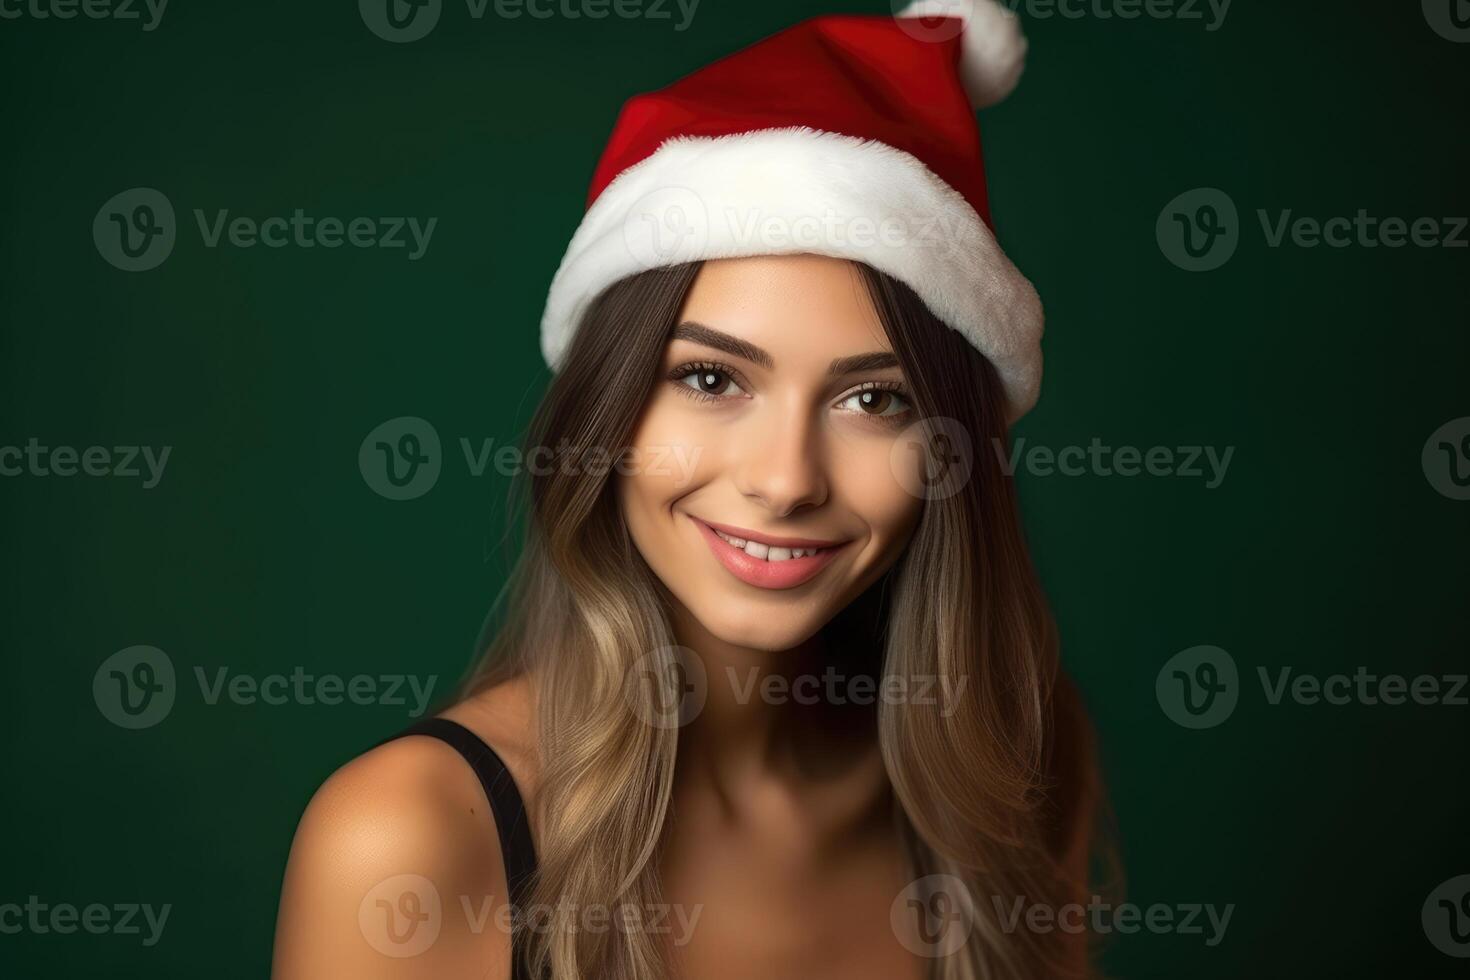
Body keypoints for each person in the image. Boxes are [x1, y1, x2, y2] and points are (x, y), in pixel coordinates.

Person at [274, 4, 1105, 978]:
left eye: (875, 398)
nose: (785, 479)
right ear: (608, 409)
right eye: (713, 379)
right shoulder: (409, 837)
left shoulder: (1011, 775)